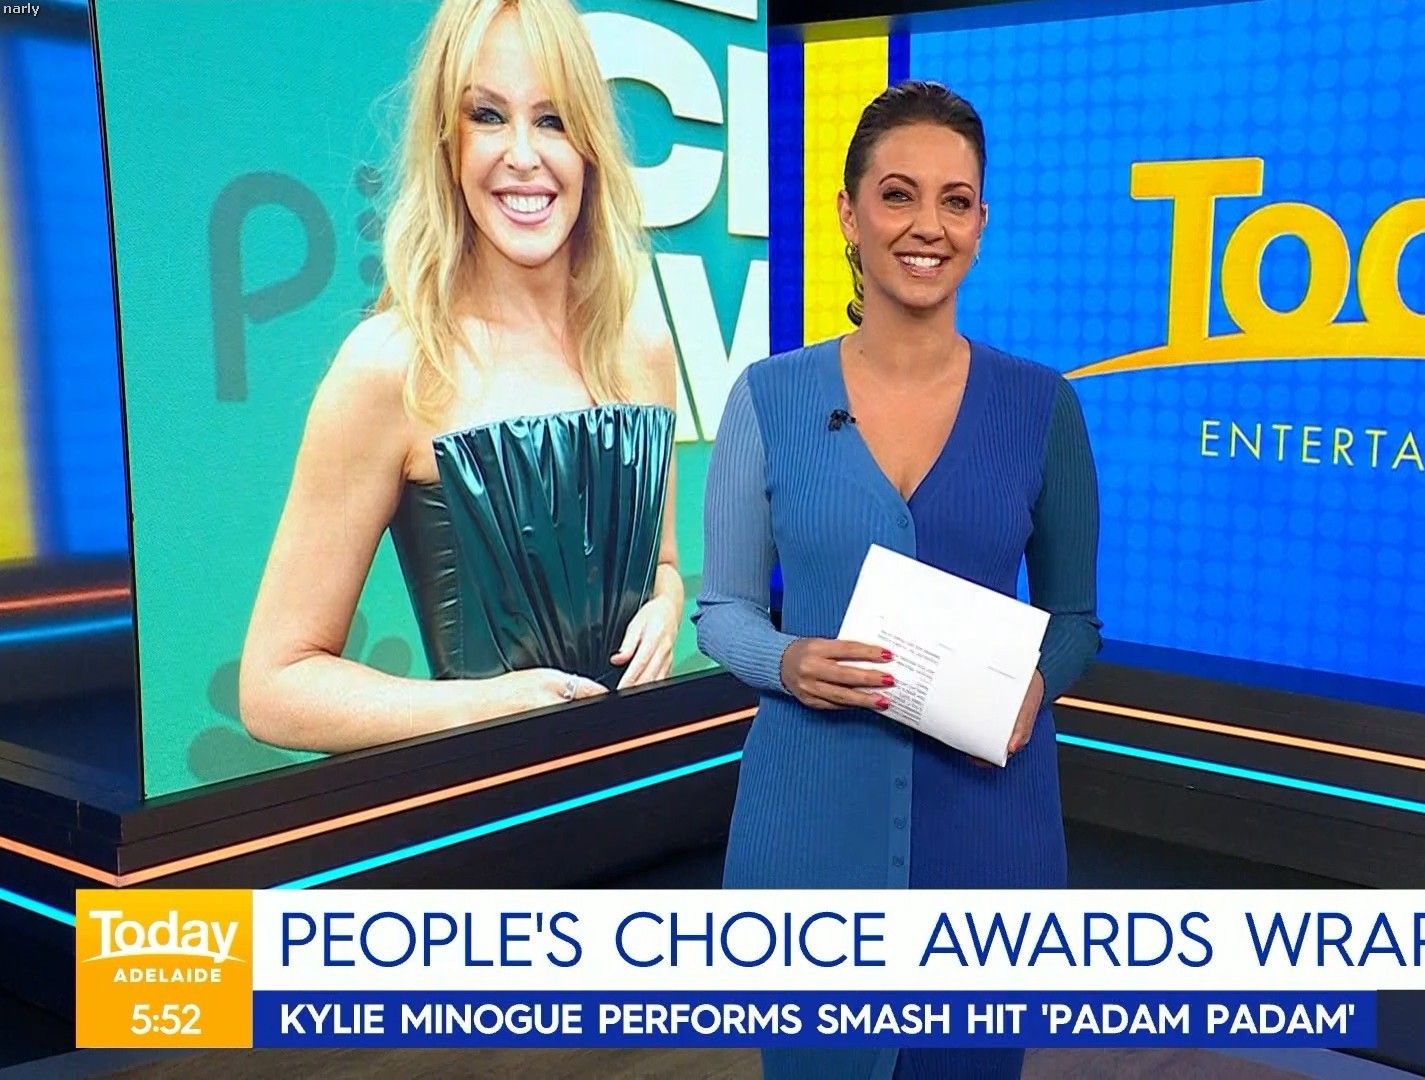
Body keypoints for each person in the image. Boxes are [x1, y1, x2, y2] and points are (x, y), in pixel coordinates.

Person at [695, 81, 1102, 1080]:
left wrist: (1038, 680)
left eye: (955, 201)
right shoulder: (766, 397)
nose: (929, 227)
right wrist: (786, 661)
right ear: (848, 214)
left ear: (981, 223)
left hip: (984, 832)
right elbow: (722, 610)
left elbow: (1075, 618)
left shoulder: (1042, 407)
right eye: (898, 195)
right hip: (812, 831)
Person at [237, 0, 682, 754]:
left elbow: (662, 563)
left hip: (642, 789)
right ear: (448, 143)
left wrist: (666, 607)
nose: (523, 155)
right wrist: (482, 708)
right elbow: (274, 685)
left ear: (590, 147)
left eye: (553, 120)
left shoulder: (641, 347)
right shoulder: (392, 365)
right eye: (488, 116)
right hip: (490, 811)